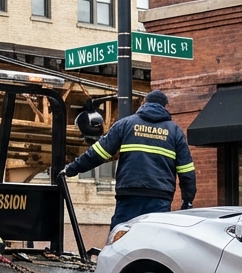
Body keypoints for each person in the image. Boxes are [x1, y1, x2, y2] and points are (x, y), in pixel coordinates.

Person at [62, 90, 196, 227]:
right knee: (154, 239)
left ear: (144, 102)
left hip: (130, 192)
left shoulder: (125, 124)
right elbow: (186, 170)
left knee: (121, 237)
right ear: (165, 106)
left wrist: (71, 169)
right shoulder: (175, 131)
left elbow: (98, 153)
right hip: (160, 195)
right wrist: (187, 200)